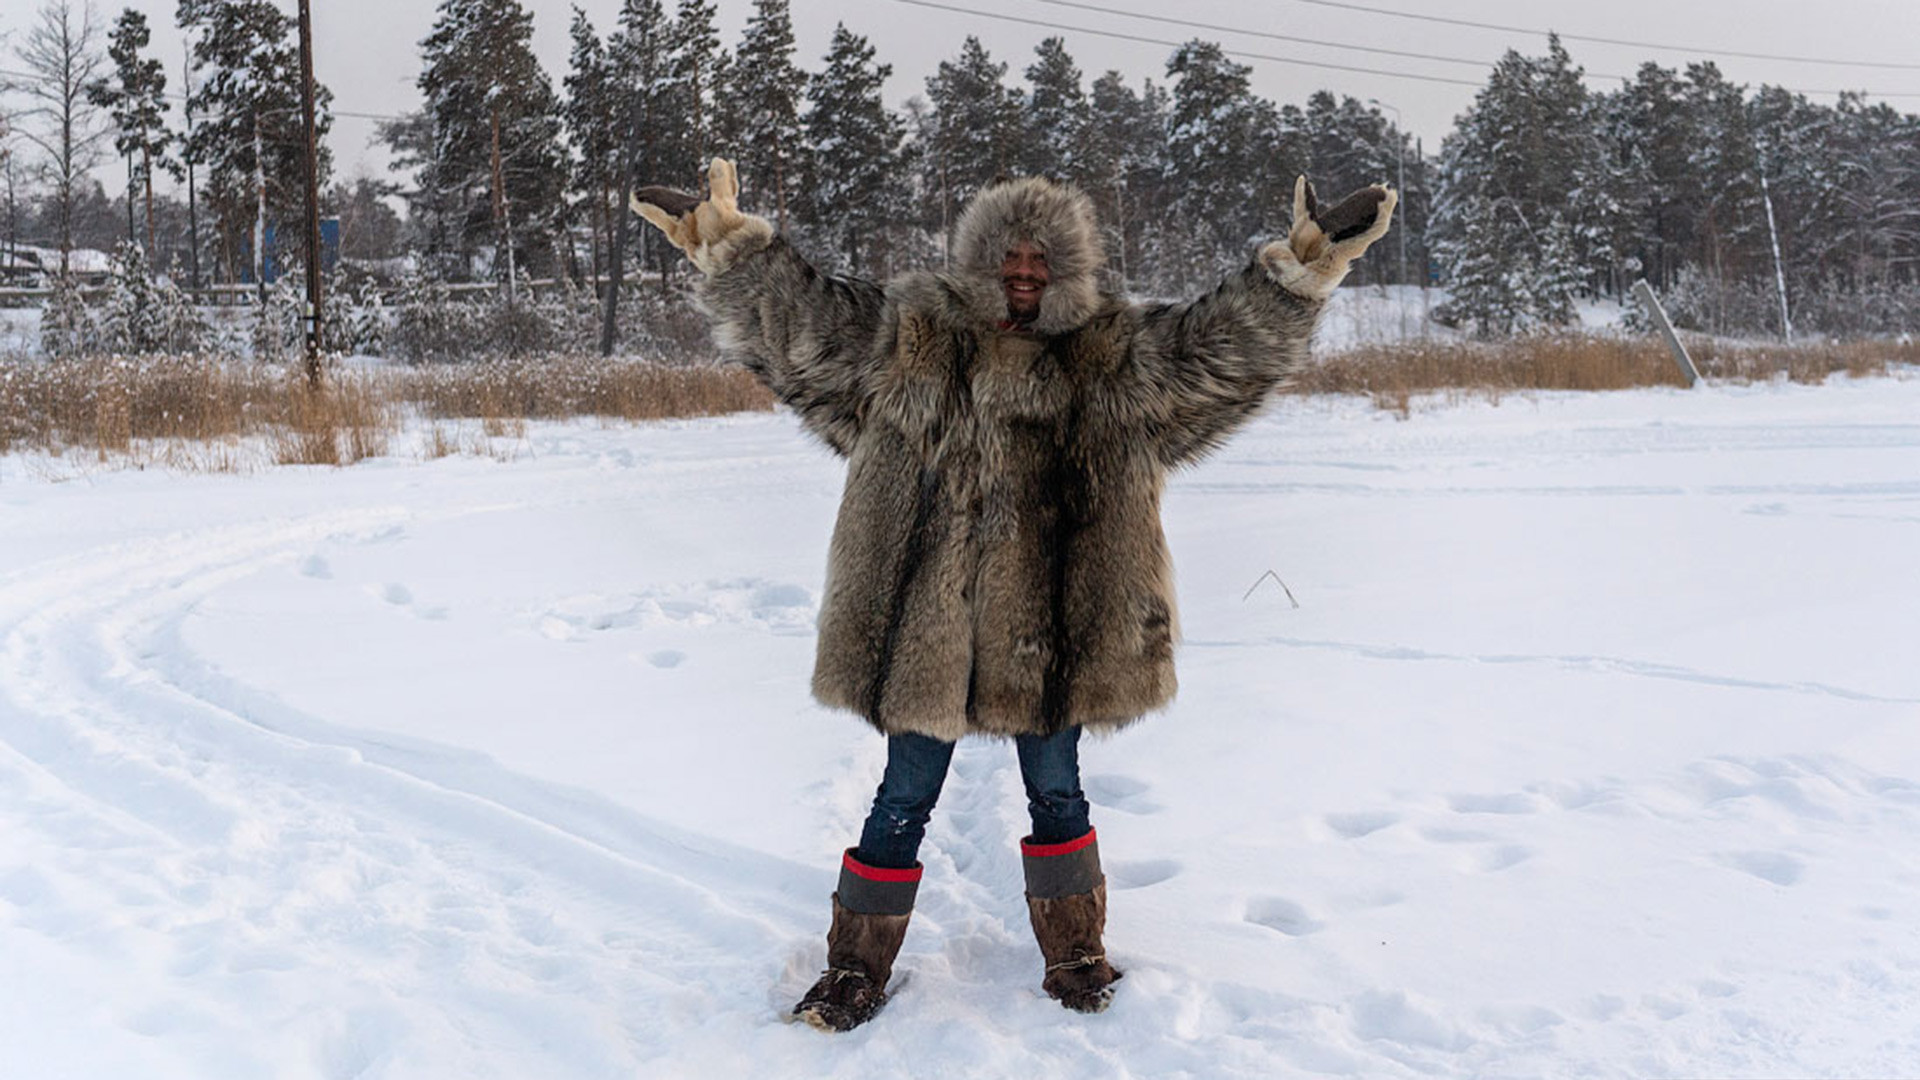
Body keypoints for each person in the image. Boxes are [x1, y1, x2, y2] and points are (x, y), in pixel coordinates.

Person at [634, 159, 1394, 1031]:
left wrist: (1300, 272)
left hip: (1056, 632)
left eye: (1041, 263)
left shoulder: (1110, 358)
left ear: (1067, 273)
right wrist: (731, 249)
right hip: (933, 627)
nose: (1024, 275)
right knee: (902, 794)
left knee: (1058, 792)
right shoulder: (916, 339)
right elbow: (809, 328)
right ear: (981, 263)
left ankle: (1075, 951)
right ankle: (854, 966)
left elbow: (1212, 351)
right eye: (1009, 260)